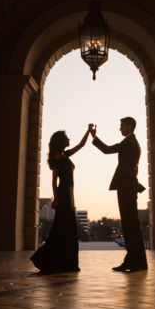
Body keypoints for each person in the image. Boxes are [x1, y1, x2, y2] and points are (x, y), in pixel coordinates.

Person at [89, 117, 148, 272]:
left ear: (129, 126)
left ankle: (136, 262)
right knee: (130, 225)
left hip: (126, 187)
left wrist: (93, 136)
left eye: (121, 126)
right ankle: (134, 261)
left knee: (130, 225)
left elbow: (107, 150)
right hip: (128, 186)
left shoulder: (128, 143)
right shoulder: (131, 142)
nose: (120, 128)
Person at [30, 127, 90, 273]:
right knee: (64, 229)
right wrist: (56, 199)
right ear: (61, 141)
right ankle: (53, 260)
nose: (69, 139)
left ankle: (64, 262)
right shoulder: (57, 158)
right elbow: (54, 181)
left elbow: (81, 145)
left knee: (65, 229)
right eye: (67, 137)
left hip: (68, 194)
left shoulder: (65, 155)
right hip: (64, 195)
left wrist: (88, 131)